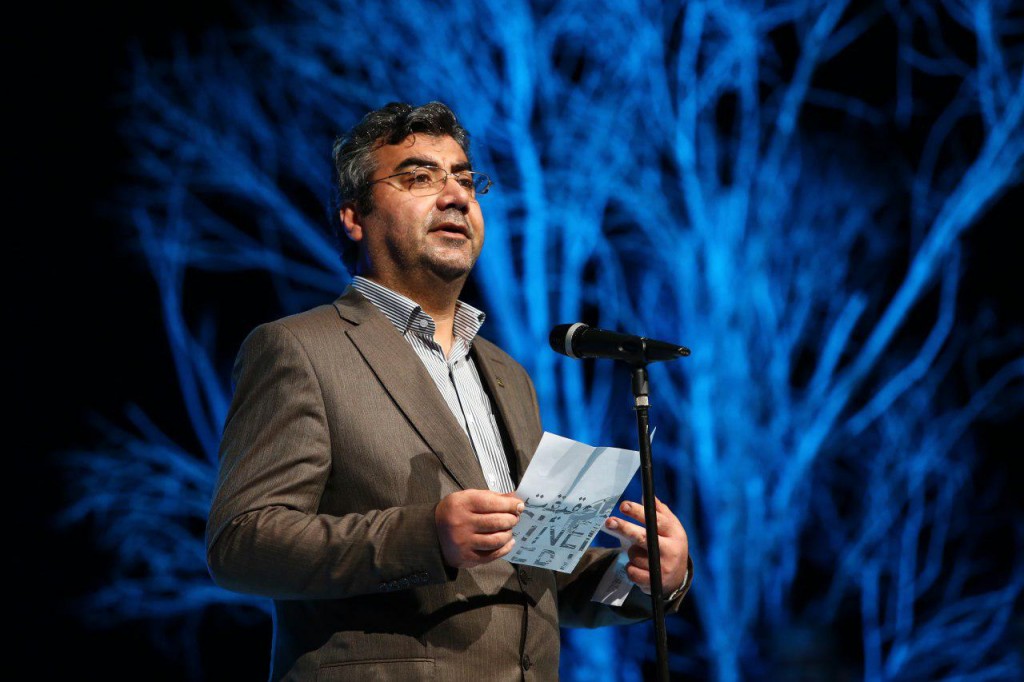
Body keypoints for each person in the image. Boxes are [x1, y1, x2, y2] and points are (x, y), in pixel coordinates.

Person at [206, 101, 692, 681]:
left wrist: (640, 576)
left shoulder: (507, 374)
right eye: (419, 177)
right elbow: (242, 544)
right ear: (354, 216)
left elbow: (529, 573)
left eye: (465, 178)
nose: (456, 196)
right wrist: (427, 537)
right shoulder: (300, 349)